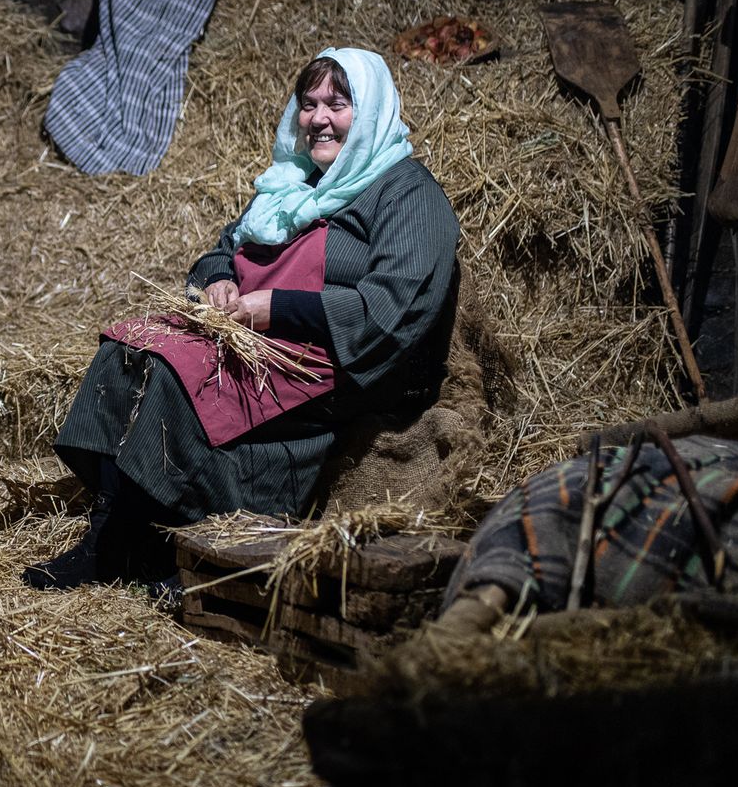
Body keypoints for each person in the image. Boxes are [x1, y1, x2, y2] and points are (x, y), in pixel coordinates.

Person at [25, 47, 460, 590]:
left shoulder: (407, 195)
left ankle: (161, 544)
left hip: (337, 356)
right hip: (249, 332)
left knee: (174, 376)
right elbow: (224, 247)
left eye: (338, 104)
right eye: (309, 104)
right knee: (129, 347)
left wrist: (273, 308)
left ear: (370, 112)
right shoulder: (293, 185)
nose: (319, 118)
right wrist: (218, 281)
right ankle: (114, 531)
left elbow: (394, 309)